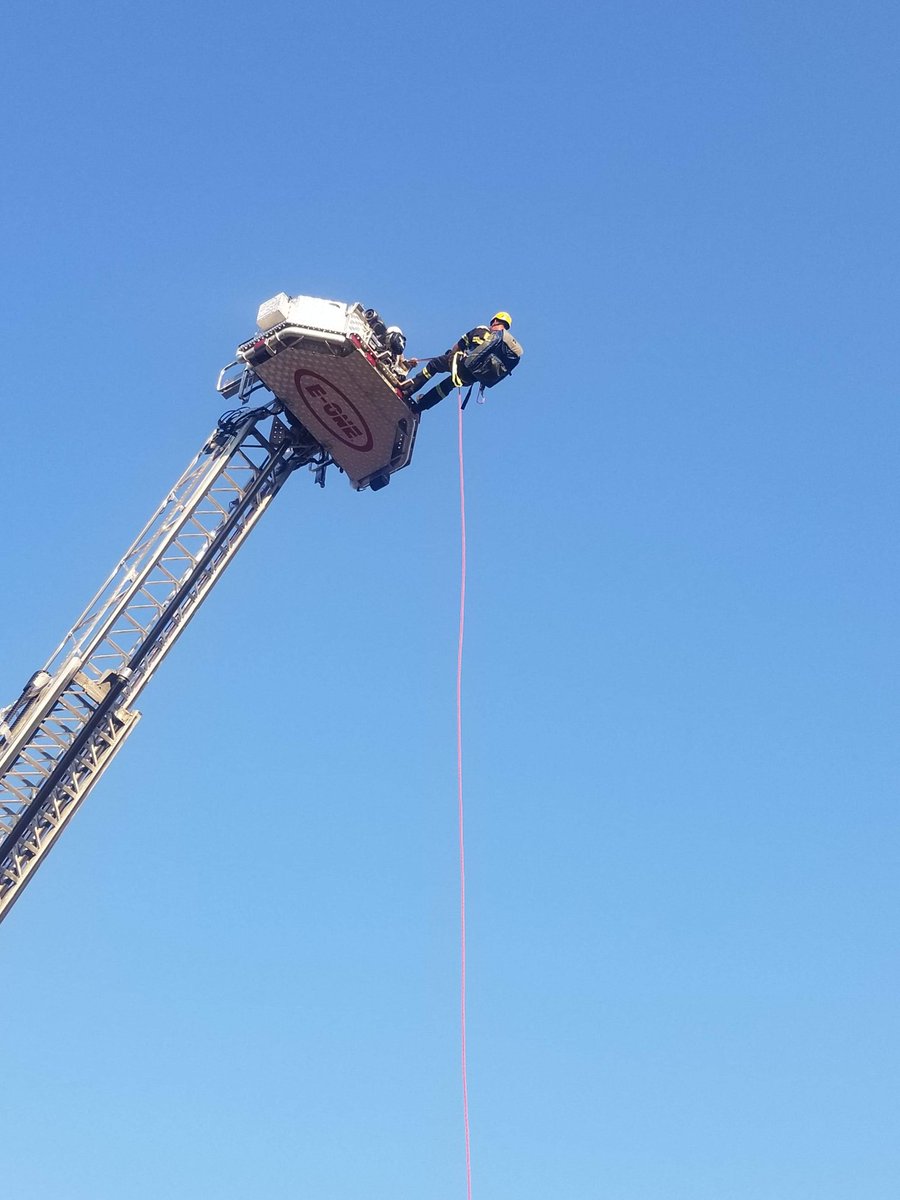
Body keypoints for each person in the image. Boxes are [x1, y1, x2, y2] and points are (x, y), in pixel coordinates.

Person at [401, 312, 514, 412]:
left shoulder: (483, 330)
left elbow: (459, 345)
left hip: (461, 363)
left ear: (494, 321)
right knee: (446, 386)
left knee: (434, 365)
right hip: (471, 378)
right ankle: (420, 406)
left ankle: (408, 390)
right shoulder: (502, 348)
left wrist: (449, 354)